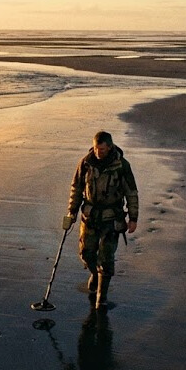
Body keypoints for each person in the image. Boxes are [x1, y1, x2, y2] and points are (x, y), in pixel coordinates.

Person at [63, 130, 138, 312]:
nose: (98, 152)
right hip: (90, 216)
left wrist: (133, 218)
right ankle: (95, 275)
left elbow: (131, 192)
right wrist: (71, 212)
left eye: (102, 149)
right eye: (96, 148)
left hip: (112, 219)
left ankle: (101, 297)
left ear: (110, 147)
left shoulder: (122, 166)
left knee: (106, 258)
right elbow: (76, 188)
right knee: (86, 253)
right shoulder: (86, 163)